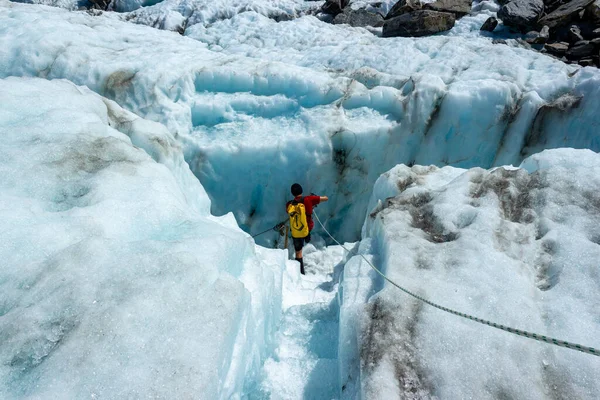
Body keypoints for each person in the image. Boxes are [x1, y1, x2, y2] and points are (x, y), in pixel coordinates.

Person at [286, 183, 328, 275]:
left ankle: (300, 274)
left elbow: (288, 212)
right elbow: (326, 198)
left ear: (292, 193)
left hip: (296, 231)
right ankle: (307, 237)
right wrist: (314, 199)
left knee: (298, 252)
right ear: (301, 190)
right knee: (306, 235)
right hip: (307, 229)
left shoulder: (289, 204)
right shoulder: (309, 199)